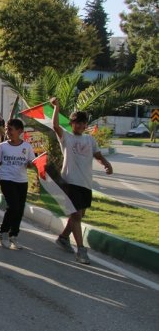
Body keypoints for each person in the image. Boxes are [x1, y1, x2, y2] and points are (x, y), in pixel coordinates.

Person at [50, 97, 113, 264]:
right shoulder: (67, 138)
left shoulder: (90, 140)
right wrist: (56, 107)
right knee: (76, 215)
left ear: (86, 125)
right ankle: (81, 250)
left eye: (82, 123)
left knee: (79, 215)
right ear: (71, 124)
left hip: (86, 183)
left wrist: (107, 164)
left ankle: (63, 238)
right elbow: (55, 126)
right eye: (76, 123)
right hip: (70, 182)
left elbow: (98, 155)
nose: (79, 125)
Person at [0, 118, 35, 249]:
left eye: (11, 129)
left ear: (20, 131)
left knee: (20, 210)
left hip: (21, 180)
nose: (8, 132)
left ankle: (13, 235)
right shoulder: (2, 146)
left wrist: (31, 164)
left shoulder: (26, 147)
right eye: (7, 129)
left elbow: (32, 163)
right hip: (6, 179)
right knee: (13, 206)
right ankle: (3, 232)